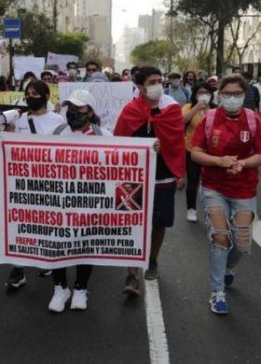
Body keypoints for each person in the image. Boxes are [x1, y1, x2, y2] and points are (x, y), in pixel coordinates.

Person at [191, 74, 261, 315]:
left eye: (237, 94)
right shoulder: (209, 119)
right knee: (220, 236)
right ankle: (217, 292)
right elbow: (195, 152)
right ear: (219, 95)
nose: (232, 98)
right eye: (227, 94)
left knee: (242, 242)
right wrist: (218, 161)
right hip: (214, 187)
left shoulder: (254, 120)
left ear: (244, 96)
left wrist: (242, 165)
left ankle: (227, 268)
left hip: (244, 188)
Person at [114, 66, 186, 295]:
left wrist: (177, 168)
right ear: (140, 86)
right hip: (134, 177)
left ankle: (152, 259)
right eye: (152, 81)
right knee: (132, 223)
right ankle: (132, 274)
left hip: (163, 176)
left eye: (159, 80)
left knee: (159, 222)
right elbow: (119, 142)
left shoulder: (172, 108)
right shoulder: (130, 110)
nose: (158, 85)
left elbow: (177, 142)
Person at [48, 89, 111, 313]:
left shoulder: (103, 135)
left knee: (86, 242)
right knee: (57, 242)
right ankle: (60, 287)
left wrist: (150, 150)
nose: (74, 112)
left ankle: (81, 288)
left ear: (90, 111)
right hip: (59, 200)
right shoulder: (56, 132)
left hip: (89, 202)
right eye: (71, 108)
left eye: (80, 108)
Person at [4, 80, 66, 290]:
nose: (31, 96)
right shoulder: (20, 120)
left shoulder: (58, 120)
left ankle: (44, 261)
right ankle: (18, 268)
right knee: (22, 223)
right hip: (23, 183)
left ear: (46, 96)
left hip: (49, 181)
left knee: (45, 222)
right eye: (28, 93)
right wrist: (5, 135)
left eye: (35, 93)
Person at [183, 82, 216, 223]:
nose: (203, 95)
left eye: (206, 92)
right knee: (192, 181)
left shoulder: (215, 109)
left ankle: (212, 211)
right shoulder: (188, 107)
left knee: (211, 184)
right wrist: (196, 107)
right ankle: (191, 208)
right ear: (195, 94)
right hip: (191, 150)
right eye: (200, 92)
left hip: (211, 152)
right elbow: (182, 121)